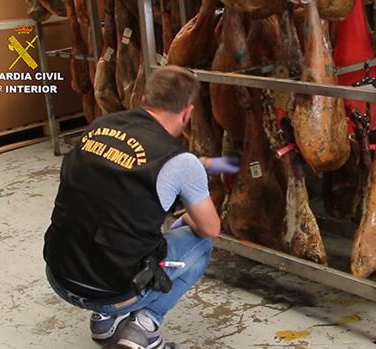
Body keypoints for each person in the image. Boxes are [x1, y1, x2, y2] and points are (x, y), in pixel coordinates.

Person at [43, 65, 240, 349]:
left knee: (105, 216)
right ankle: (144, 327)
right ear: (187, 112)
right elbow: (210, 228)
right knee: (199, 243)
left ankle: (103, 321)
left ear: (144, 98)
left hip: (59, 274)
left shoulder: (99, 126)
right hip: (113, 290)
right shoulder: (179, 162)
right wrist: (187, 216)